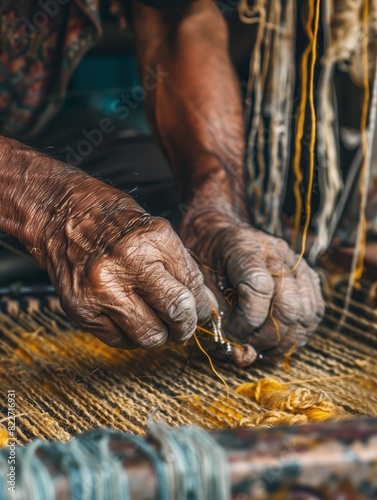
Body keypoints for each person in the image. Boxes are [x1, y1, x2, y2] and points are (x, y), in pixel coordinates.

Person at [0, 0, 324, 365]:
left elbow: (177, 20)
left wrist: (214, 208)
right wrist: (50, 206)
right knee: (93, 220)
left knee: (160, 217)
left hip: (31, 127)